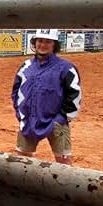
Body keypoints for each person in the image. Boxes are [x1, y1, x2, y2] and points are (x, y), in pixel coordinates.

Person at [11, 29, 81, 165]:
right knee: (22, 160)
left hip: (57, 122)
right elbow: (16, 92)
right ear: (35, 43)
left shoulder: (66, 68)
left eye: (48, 41)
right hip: (29, 122)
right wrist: (21, 115)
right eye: (40, 41)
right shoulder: (26, 67)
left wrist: (61, 118)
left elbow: (74, 94)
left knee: (63, 161)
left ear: (54, 44)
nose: (43, 44)